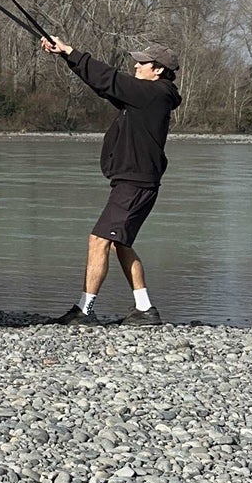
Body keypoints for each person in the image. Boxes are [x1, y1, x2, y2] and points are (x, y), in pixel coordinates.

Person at [40, 35, 182, 325]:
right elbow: (102, 85)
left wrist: (70, 49)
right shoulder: (148, 95)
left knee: (98, 240)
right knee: (120, 243)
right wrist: (67, 57)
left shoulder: (153, 93)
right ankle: (145, 309)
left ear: (157, 70)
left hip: (135, 183)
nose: (136, 65)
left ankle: (84, 310)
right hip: (137, 181)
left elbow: (110, 79)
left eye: (142, 62)